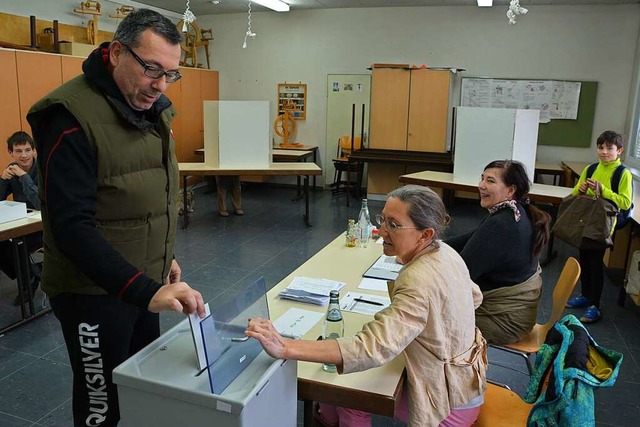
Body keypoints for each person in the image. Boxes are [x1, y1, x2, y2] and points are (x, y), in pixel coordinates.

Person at [26, 9, 205, 426]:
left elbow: (141, 195)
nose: (160, 85)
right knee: (101, 403)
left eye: (171, 74)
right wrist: (144, 289)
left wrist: (163, 255)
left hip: (143, 281)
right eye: (151, 70)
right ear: (117, 53)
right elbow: (71, 229)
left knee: (139, 386)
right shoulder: (69, 117)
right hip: (92, 292)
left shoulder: (149, 106)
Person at [246, 185, 487, 427]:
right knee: (337, 386)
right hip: (467, 385)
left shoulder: (418, 278)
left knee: (348, 391)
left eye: (394, 225)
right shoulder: (445, 252)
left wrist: (286, 347)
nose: (381, 231)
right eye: (383, 219)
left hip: (449, 403)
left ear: (425, 234)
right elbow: (475, 297)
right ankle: (326, 416)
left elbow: (372, 348)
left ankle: (327, 417)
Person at [446, 160, 551, 345]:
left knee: (432, 322)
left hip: (504, 321)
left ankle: (445, 373)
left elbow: (461, 274)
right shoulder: (515, 211)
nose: (481, 185)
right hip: (516, 315)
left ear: (510, 190)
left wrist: (421, 260)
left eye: (490, 181)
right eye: (482, 178)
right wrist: (430, 246)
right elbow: (469, 238)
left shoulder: (502, 224)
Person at [565, 130, 633, 323]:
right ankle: (585, 295)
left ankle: (595, 305)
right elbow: (575, 191)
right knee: (584, 260)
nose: (604, 152)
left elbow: (625, 202)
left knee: (595, 264)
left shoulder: (623, 173)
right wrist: (582, 188)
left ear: (619, 150)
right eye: (600, 147)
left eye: (609, 148)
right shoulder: (591, 168)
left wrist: (604, 191)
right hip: (586, 221)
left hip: (603, 226)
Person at [0, 131, 42, 305]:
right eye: (18, 151)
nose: (23, 155)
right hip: (22, 223)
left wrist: (24, 177)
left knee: (18, 246)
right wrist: (2, 180)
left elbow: (41, 204)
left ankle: (28, 281)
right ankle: (32, 273)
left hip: (43, 227)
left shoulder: (44, 169)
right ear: (11, 152)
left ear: (34, 151)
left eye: (27, 150)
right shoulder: (12, 169)